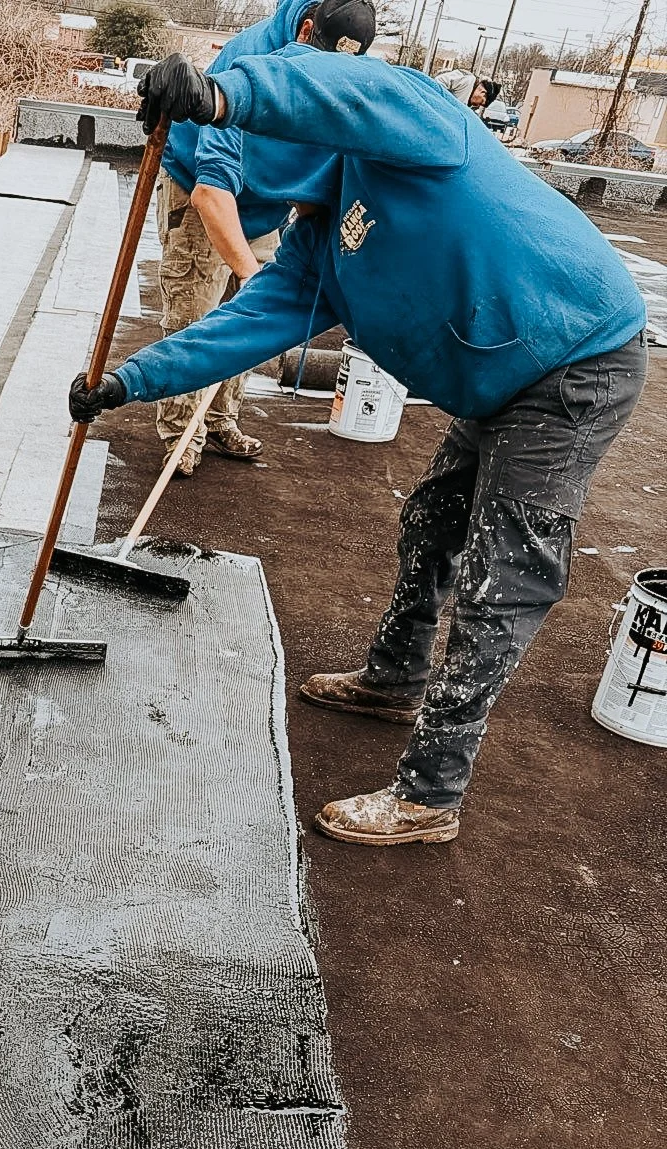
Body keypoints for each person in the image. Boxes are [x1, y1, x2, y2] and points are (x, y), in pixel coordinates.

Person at [69, 47, 647, 847]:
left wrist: (225, 93)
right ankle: (393, 680)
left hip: (576, 360)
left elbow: (352, 88)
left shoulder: (408, 128)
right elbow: (238, 330)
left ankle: (431, 794)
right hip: (500, 382)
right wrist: (128, 383)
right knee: (433, 525)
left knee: (501, 579)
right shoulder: (315, 249)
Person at [155, 0, 375, 473]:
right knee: (197, 316)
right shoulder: (249, 64)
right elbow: (211, 194)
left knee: (251, 317)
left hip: (264, 206)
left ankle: (219, 420)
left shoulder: (331, 75)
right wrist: (249, 272)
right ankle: (181, 435)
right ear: (307, 29)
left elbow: (317, 177)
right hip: (201, 190)